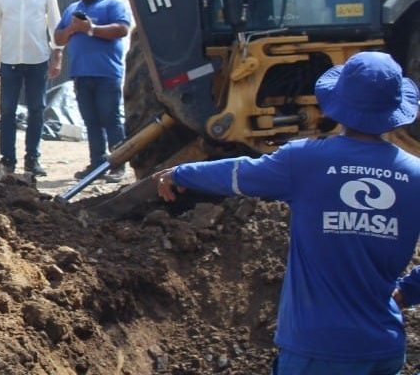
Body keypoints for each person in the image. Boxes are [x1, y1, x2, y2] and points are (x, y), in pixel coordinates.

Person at [155, 51, 420, 374]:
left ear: (338, 103)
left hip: (315, 351)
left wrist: (181, 173)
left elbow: (238, 173)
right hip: (382, 350)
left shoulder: (304, 161)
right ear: (395, 109)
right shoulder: (415, 176)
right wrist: (407, 292)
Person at [0, 0, 62, 176]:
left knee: (37, 110)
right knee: (7, 110)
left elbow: (55, 23)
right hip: (9, 60)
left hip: (37, 60)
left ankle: (32, 159)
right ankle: (8, 159)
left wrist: (57, 54)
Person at [54, 0, 131, 182]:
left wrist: (91, 29)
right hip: (81, 74)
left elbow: (122, 29)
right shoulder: (72, 9)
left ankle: (118, 164)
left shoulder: (112, 4)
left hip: (106, 73)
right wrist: (72, 29)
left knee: (110, 118)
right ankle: (97, 164)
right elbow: (58, 38)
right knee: (91, 121)